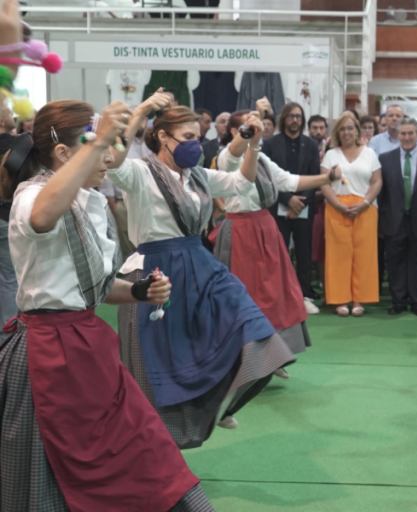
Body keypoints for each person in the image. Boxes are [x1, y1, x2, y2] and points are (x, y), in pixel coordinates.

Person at [0, 100, 213, 511]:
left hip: (87, 348)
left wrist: (136, 292)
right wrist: (99, 141)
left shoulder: (86, 201)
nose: (110, 159)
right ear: (64, 153)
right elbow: (42, 217)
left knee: (147, 448)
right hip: (49, 356)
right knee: (53, 472)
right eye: (99, 147)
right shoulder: (32, 194)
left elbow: (90, 286)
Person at [107, 94, 295, 447]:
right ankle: (156, 447)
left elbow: (241, 183)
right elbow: (113, 163)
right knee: (160, 362)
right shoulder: (140, 172)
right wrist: (142, 111)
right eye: (188, 137)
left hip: (201, 266)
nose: (195, 144)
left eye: (198, 137)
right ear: (163, 137)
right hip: (156, 272)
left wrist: (254, 145)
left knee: (253, 326)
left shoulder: (197, 176)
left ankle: (219, 403)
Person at [216, 103, 339, 360]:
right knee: (245, 293)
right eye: (246, 125)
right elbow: (237, 149)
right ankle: (244, 355)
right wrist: (255, 123)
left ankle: (273, 354)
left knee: (275, 292)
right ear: (235, 132)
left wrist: (326, 178)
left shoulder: (260, 157)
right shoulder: (227, 157)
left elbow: (288, 180)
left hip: (265, 227)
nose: (254, 128)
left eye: (255, 125)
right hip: (241, 231)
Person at [321, 111, 382, 317]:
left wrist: (365, 202)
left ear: (357, 131)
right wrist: (338, 205)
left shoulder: (370, 153)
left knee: (364, 254)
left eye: (350, 128)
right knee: (338, 254)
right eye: (342, 129)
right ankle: (340, 300)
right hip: (337, 207)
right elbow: (324, 183)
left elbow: (377, 181)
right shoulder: (331, 155)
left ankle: (358, 300)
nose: (346, 132)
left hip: (365, 208)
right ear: (337, 132)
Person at [262, 103, 322, 307]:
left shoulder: (311, 144)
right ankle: (279, 294)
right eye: (291, 116)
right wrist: (288, 200)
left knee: (304, 253)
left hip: (304, 206)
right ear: (284, 119)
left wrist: (299, 203)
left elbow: (314, 176)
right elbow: (267, 178)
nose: (294, 120)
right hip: (277, 205)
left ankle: (304, 294)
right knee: (278, 253)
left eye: (298, 116)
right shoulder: (270, 144)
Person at [378, 117, 417, 316]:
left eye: (411, 133)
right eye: (403, 133)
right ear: (398, 135)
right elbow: (381, 193)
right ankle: (398, 301)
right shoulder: (385, 159)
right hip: (393, 219)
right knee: (395, 263)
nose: (407, 137)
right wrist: (380, 221)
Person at [0, 102, 17, 329]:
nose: (13, 113)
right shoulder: (16, 146)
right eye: (7, 110)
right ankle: (7, 335)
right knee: (10, 279)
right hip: (6, 217)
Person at [308, 114, 329, 292]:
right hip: (312, 201)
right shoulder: (305, 147)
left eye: (321, 128)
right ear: (308, 129)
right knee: (316, 246)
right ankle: (321, 283)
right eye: (314, 128)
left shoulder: (333, 149)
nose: (318, 131)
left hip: (333, 201)